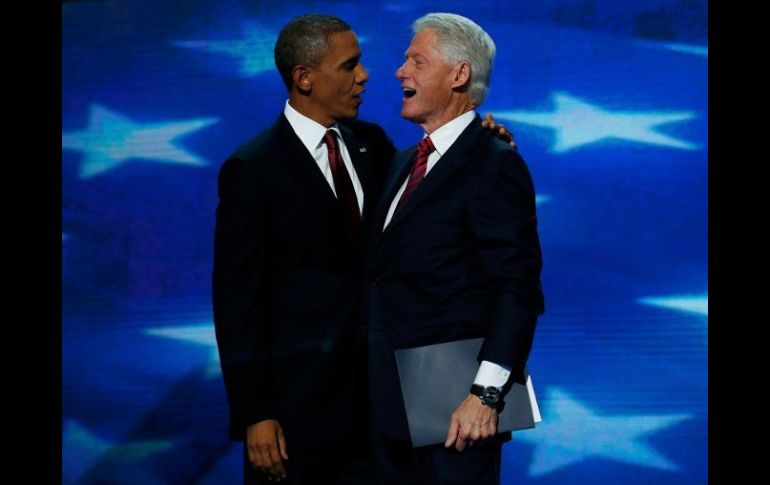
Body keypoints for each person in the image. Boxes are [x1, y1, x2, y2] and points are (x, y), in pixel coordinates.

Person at [212, 14, 394, 484]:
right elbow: (238, 301)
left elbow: (430, 197)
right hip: (298, 417)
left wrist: (483, 146)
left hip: (378, 410)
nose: (365, 76)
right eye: (350, 65)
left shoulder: (373, 146)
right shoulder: (254, 169)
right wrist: (256, 412)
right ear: (305, 77)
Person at [363, 12, 545, 484]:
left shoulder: (494, 162)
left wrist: (485, 395)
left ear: (459, 74)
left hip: (454, 409)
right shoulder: (403, 162)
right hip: (383, 404)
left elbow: (516, 287)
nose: (400, 72)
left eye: (415, 61)